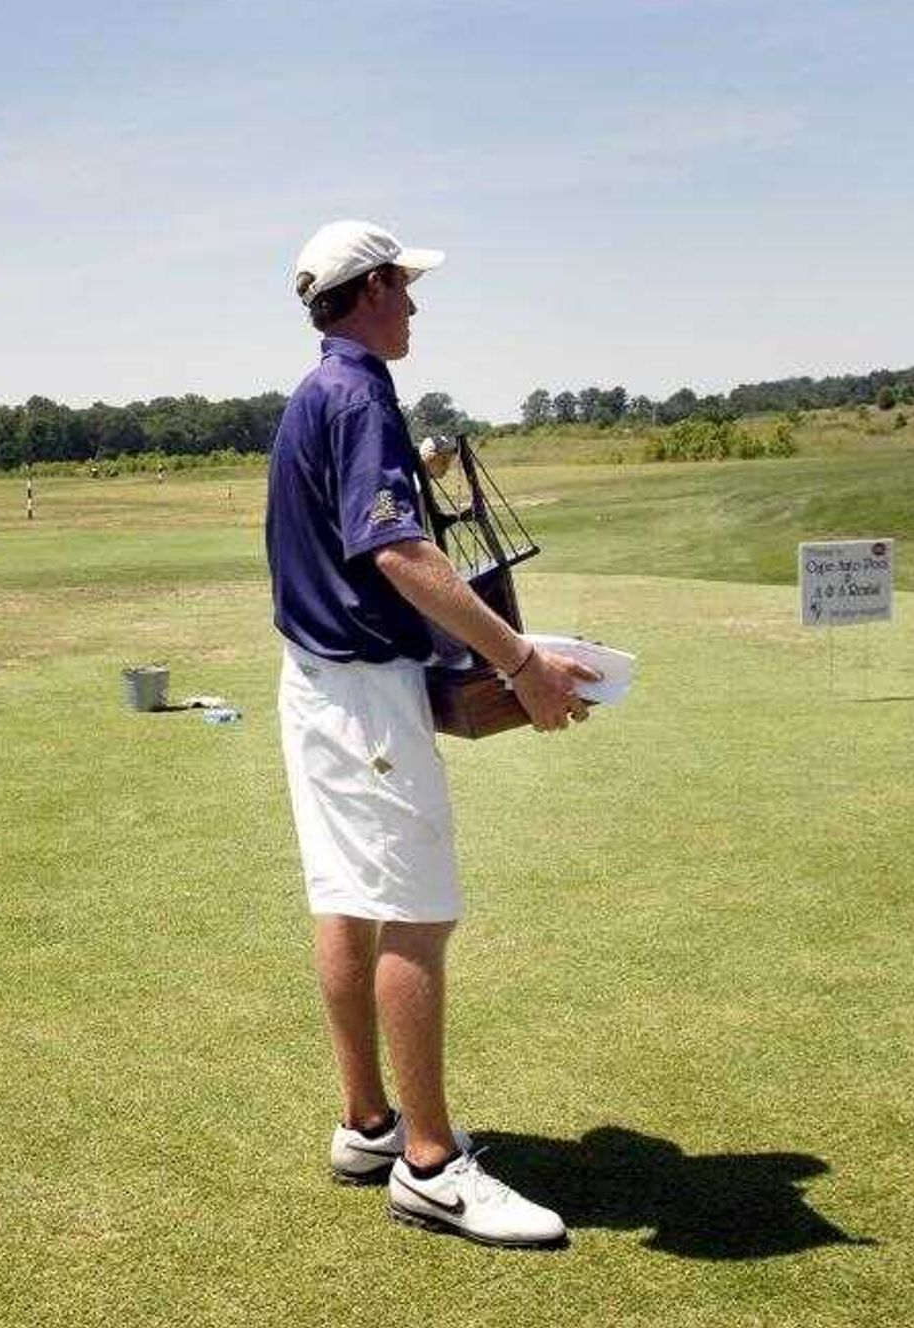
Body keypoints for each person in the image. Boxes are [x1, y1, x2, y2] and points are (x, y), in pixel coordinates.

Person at [265, 219, 598, 1249]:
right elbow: (401, 556)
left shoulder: (315, 391)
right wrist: (517, 660)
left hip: (321, 684)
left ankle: (367, 1122)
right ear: (366, 292)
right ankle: (427, 1162)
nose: (413, 305)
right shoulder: (358, 392)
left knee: (347, 897)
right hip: (358, 692)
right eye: (403, 288)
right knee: (413, 911)